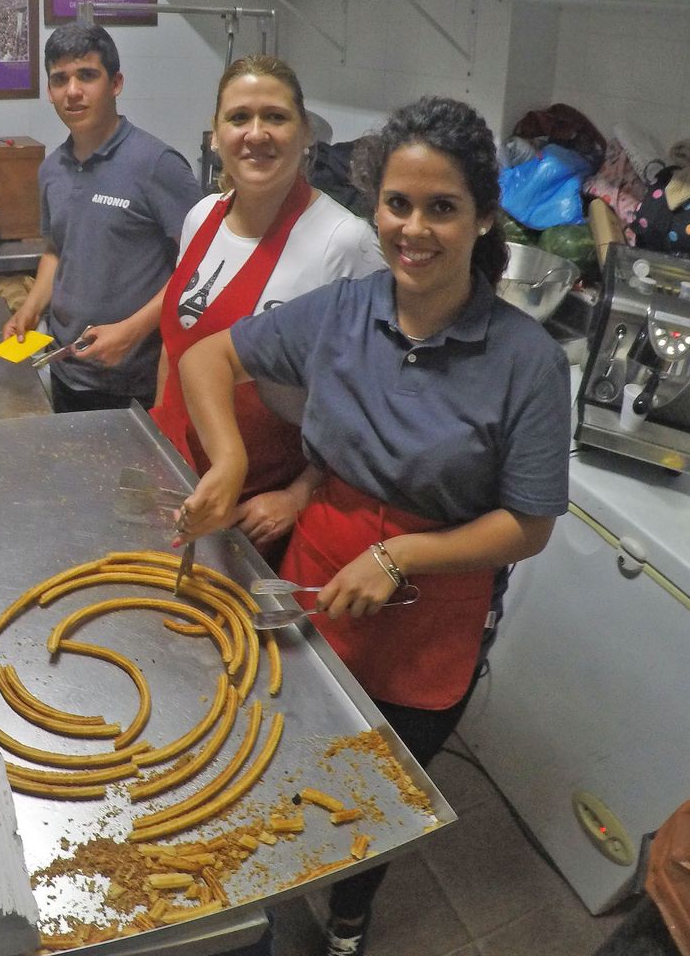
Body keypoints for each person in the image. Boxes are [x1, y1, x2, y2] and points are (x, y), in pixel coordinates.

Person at [174, 97, 571, 955]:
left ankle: (351, 911)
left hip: (433, 610)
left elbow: (529, 525)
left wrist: (400, 555)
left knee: (375, 792)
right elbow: (208, 355)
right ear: (373, 206)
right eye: (397, 204)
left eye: (441, 207)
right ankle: (273, 890)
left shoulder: (526, 362)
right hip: (315, 582)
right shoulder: (344, 310)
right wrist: (229, 461)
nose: (414, 229)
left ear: (482, 217)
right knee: (290, 755)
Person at [152, 56, 381, 558]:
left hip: (255, 510)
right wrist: (155, 431)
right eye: (239, 118)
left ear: (304, 135)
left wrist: (299, 495)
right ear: (216, 136)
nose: (256, 133)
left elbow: (368, 401)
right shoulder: (202, 216)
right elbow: (178, 341)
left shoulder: (343, 241)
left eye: (275, 117)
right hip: (172, 476)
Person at [4, 23, 202, 412]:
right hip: (68, 372)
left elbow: (204, 266)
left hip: (139, 382)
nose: (72, 91)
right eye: (60, 79)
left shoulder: (156, 164)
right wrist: (31, 308)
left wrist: (134, 331)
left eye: (87, 76)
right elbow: (57, 250)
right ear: (49, 91)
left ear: (116, 83)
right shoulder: (52, 170)